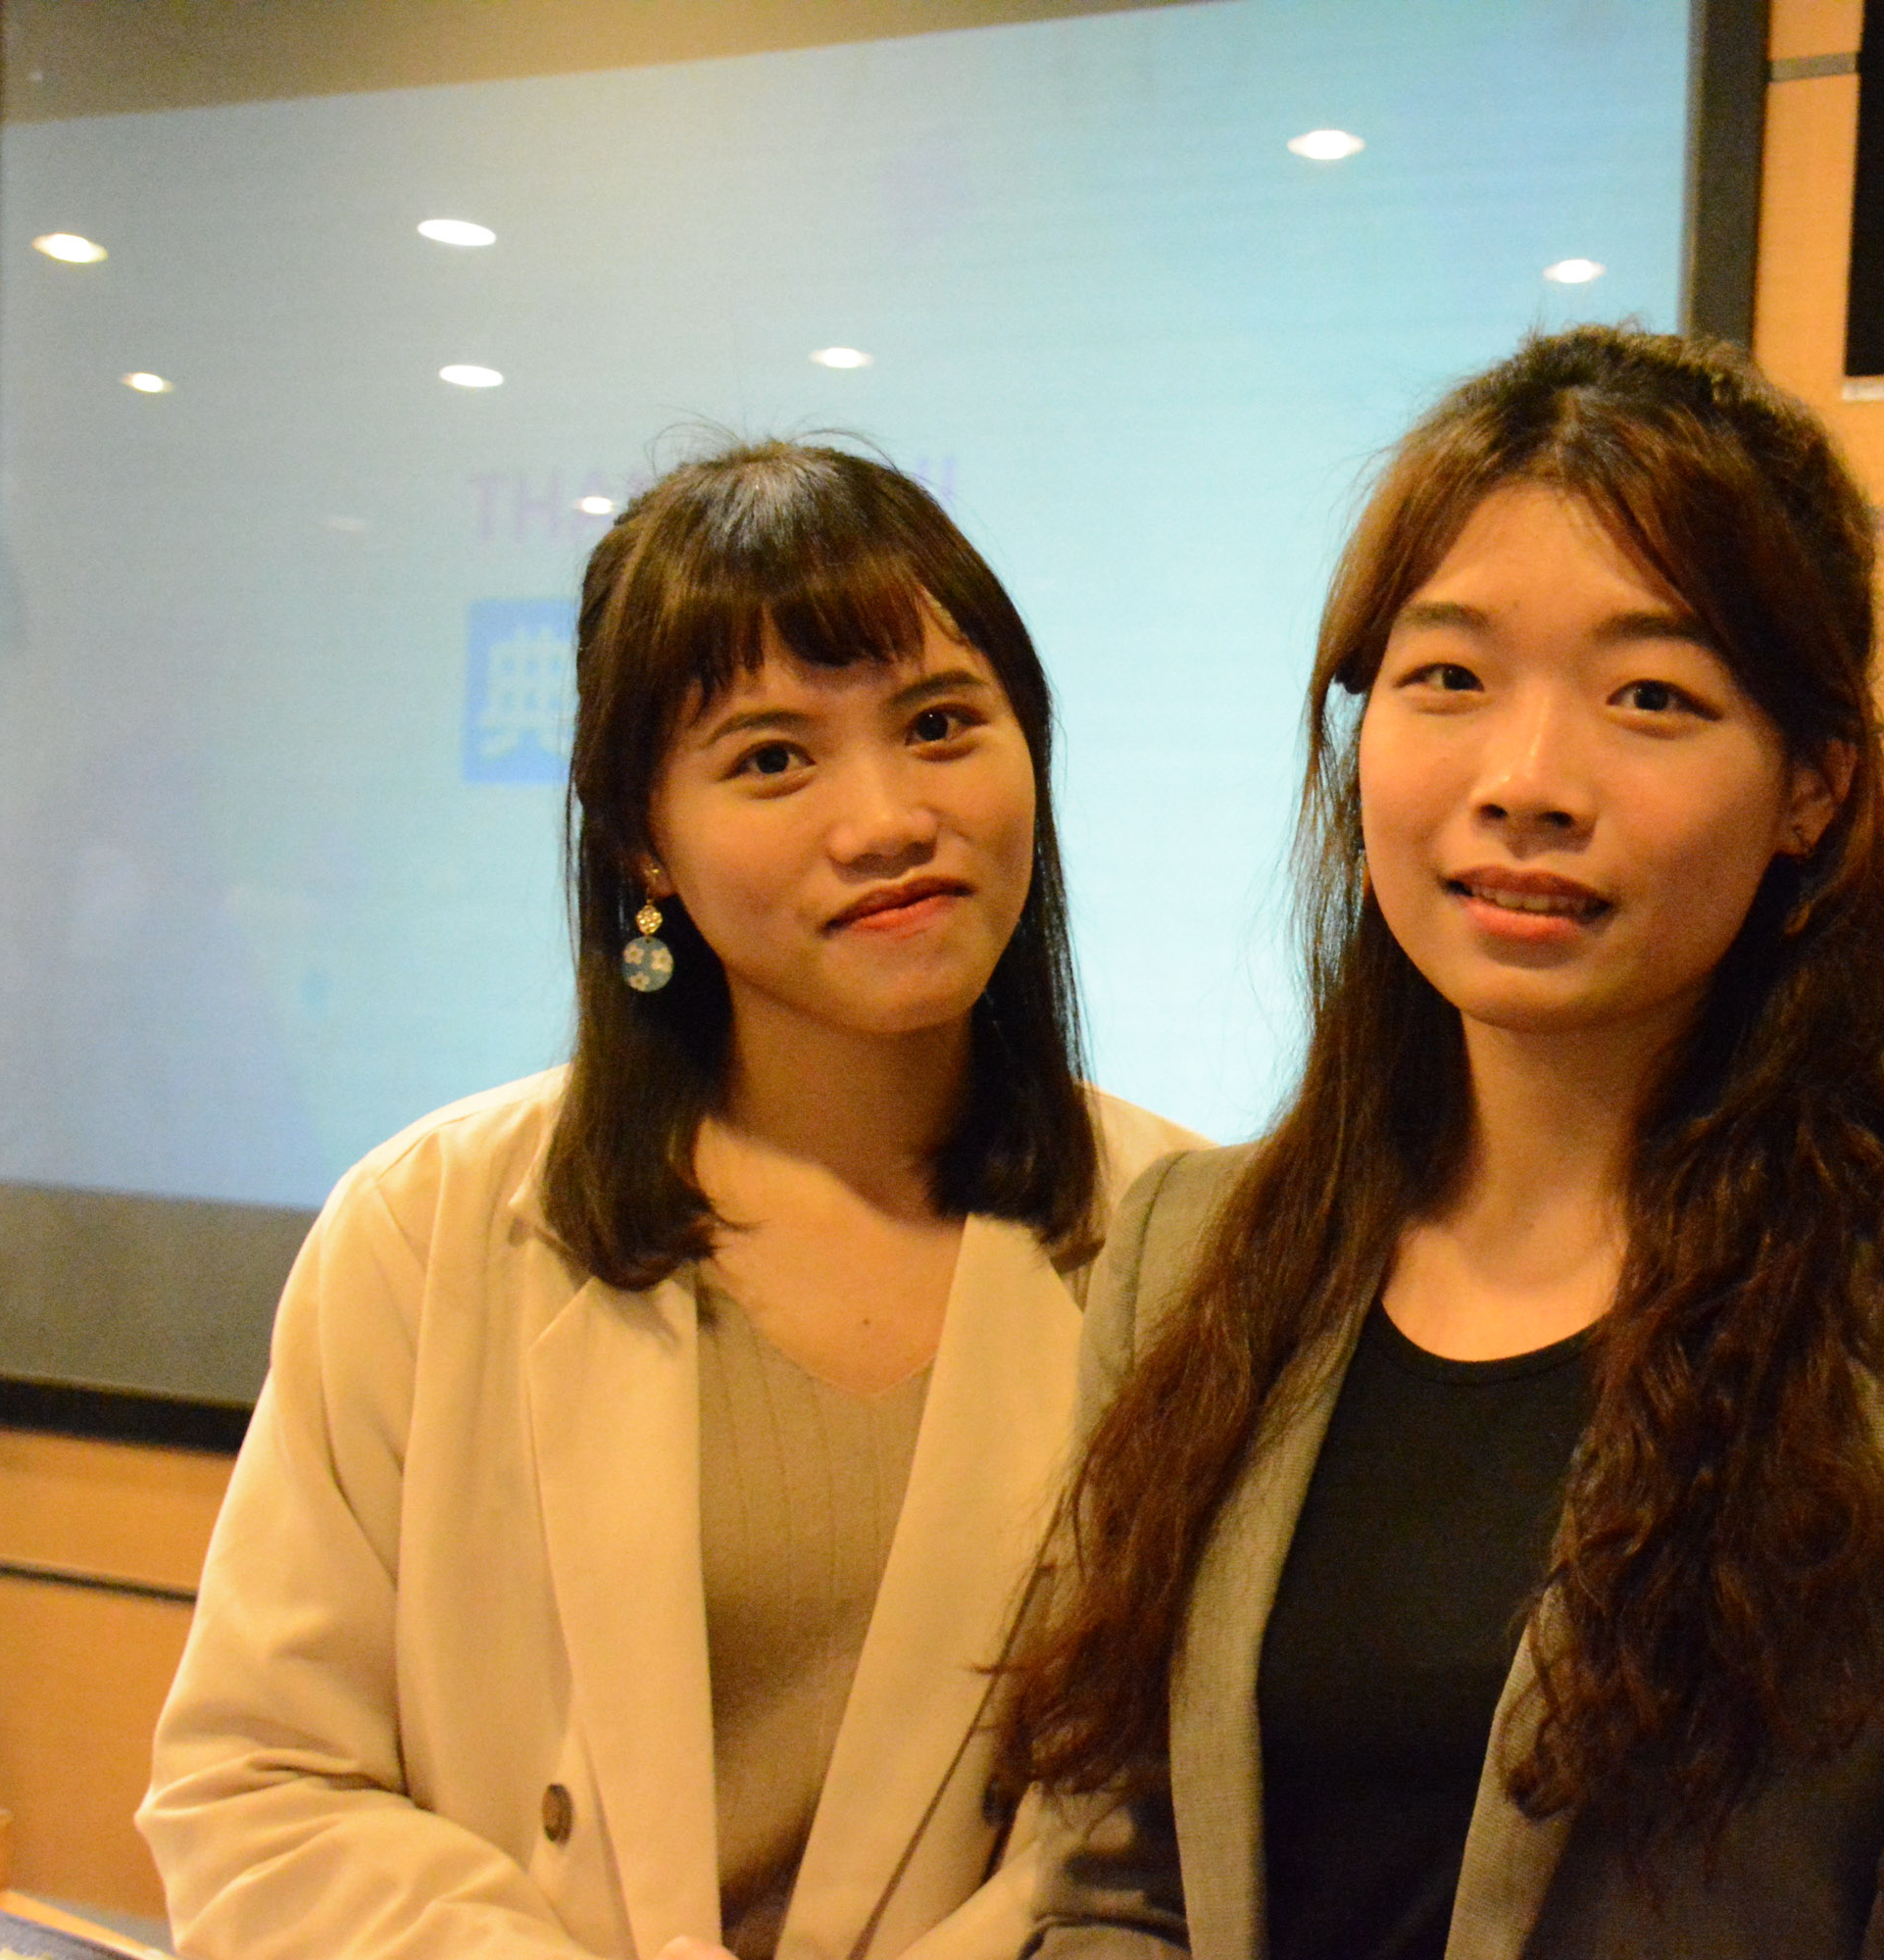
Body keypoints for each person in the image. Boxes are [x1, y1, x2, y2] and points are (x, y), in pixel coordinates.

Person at [994, 327, 1884, 1959]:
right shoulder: (1194, 1251)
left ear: (1813, 789)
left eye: (1651, 698)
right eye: (1449, 677)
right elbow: (1109, 1882)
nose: (1528, 782)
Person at [141, 440, 1197, 1960]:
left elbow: (1184, 1823)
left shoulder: (1193, 1237)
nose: (886, 818)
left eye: (940, 725)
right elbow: (259, 1788)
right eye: (772, 759)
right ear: (645, 838)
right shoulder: (428, 1226)